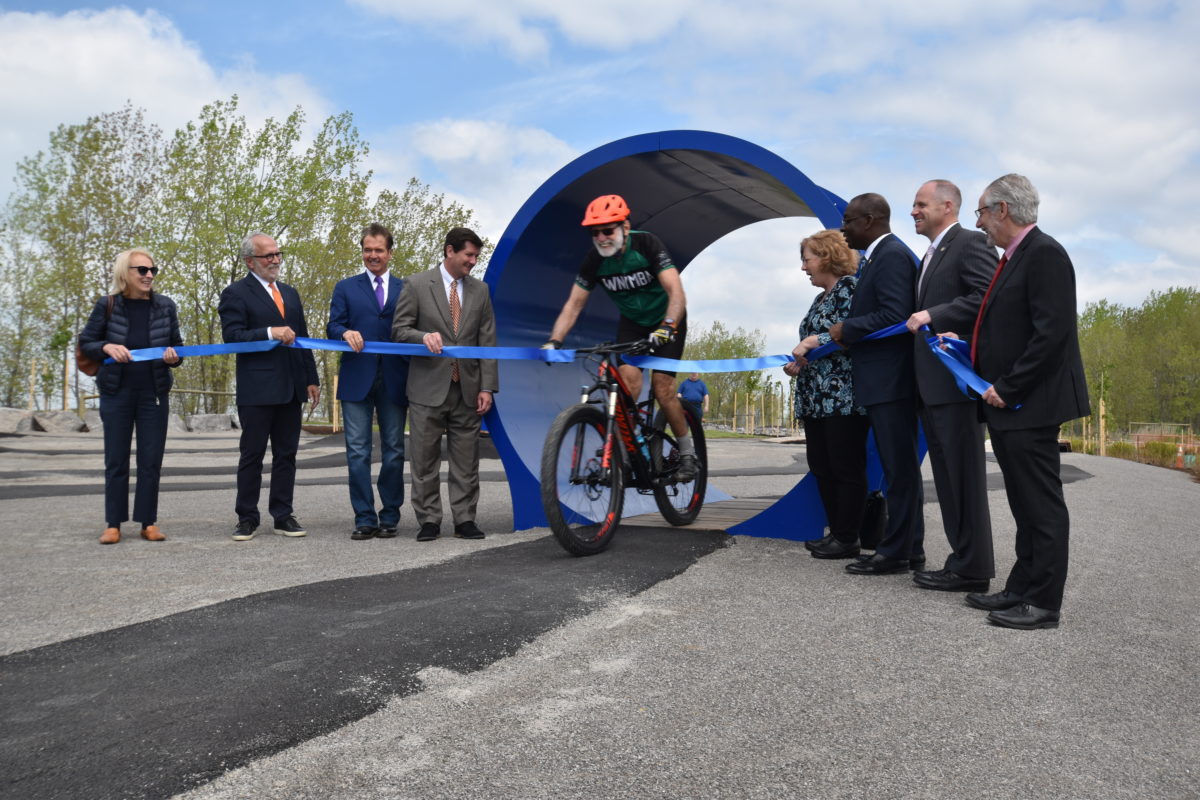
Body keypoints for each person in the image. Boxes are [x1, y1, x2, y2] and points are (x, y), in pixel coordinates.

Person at [961, 174, 1089, 629]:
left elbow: (1051, 334)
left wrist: (1008, 386)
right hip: (1012, 404)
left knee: (1041, 505)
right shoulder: (1013, 258)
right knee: (1023, 503)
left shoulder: (1045, 254)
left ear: (1002, 210)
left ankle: (1044, 602)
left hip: (1029, 403)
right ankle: (1021, 587)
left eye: (980, 212)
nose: (978, 223)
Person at [544, 194, 698, 481]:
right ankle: (632, 448)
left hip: (667, 318)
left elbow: (676, 293)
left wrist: (666, 327)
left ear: (625, 227)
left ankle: (688, 453)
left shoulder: (647, 245)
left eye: (608, 230)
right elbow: (573, 304)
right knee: (627, 384)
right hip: (633, 323)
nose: (602, 237)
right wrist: (555, 341)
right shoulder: (594, 261)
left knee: (663, 388)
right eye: (595, 233)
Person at [903, 180, 997, 592]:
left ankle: (974, 567)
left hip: (956, 386)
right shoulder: (931, 255)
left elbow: (989, 295)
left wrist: (933, 314)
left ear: (947, 206)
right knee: (947, 480)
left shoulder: (969, 243)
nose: (914, 211)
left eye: (921, 204)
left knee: (964, 479)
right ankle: (962, 562)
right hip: (931, 389)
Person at [829, 193, 924, 575]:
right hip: (881, 380)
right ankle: (906, 547)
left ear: (869, 220)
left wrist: (847, 328)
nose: (843, 229)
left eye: (849, 221)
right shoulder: (878, 258)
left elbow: (896, 314)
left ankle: (898, 551)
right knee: (896, 468)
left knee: (900, 470)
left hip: (892, 380)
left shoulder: (892, 256)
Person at [392, 227, 498, 542]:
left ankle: (465, 520)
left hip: (468, 389)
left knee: (466, 461)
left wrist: (487, 387)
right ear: (450, 251)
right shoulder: (416, 284)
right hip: (426, 389)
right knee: (424, 460)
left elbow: (488, 341)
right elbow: (399, 330)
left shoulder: (481, 291)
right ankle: (429, 521)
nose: (473, 262)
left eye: (477, 256)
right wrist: (422, 337)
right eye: (469, 255)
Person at [218, 232, 320, 542]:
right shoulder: (235, 293)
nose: (275, 260)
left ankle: (283, 515)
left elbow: (301, 338)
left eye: (278, 254)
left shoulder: (290, 293)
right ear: (250, 261)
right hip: (257, 389)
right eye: (268, 256)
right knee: (252, 455)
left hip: (291, 387)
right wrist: (269, 332)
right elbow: (232, 337)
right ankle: (247, 517)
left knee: (286, 455)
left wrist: (311, 379)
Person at [78, 249, 183, 544]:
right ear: (125, 273)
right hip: (116, 392)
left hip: (154, 393)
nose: (149, 275)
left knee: (151, 460)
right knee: (116, 459)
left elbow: (177, 347)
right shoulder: (107, 305)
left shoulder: (166, 306)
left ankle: (148, 522)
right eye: (142, 270)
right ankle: (113, 524)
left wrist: (174, 358)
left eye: (152, 270)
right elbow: (87, 342)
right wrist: (106, 348)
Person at [783, 230, 869, 560]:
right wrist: (799, 364)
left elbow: (852, 329)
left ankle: (848, 537)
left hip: (842, 397)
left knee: (845, 465)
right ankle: (837, 532)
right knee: (821, 464)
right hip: (816, 397)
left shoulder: (850, 288)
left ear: (826, 257)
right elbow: (817, 343)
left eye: (807, 259)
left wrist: (811, 342)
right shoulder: (819, 299)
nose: (804, 267)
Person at [327, 223, 410, 541]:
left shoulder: (407, 289)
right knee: (357, 452)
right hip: (356, 378)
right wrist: (344, 332)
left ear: (390, 253)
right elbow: (333, 325)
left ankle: (390, 515)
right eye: (367, 250)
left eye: (378, 250)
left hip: (394, 378)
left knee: (394, 451)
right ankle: (364, 517)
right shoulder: (345, 287)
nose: (372, 255)